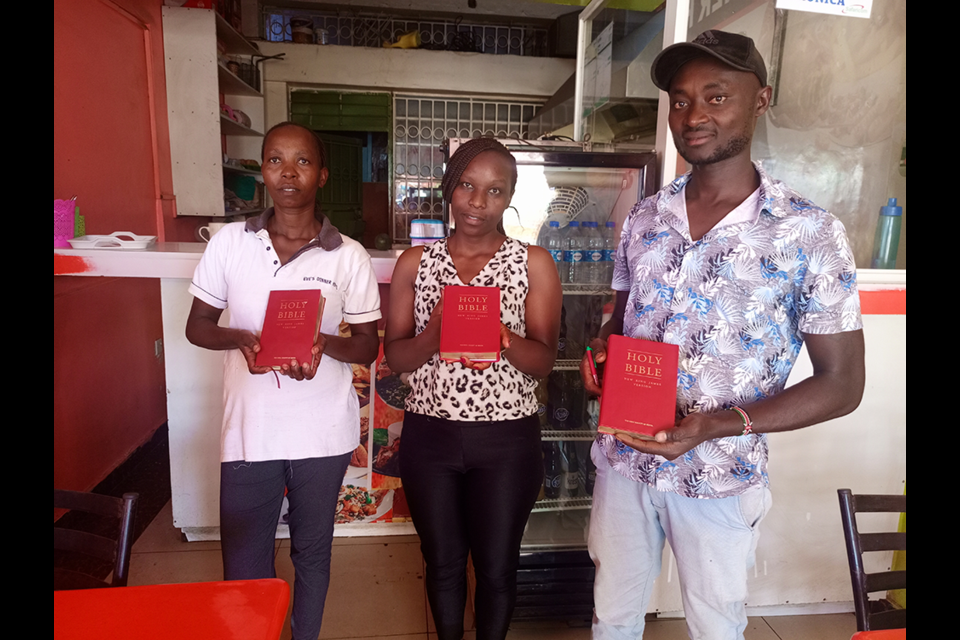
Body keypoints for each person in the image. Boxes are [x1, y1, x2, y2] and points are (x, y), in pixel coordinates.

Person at [580, 31, 866, 640]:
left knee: (715, 626)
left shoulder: (809, 233)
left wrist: (716, 423)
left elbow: (843, 385)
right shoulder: (645, 216)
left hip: (719, 472)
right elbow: (622, 315)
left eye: (716, 96)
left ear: (760, 99)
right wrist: (604, 347)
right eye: (680, 101)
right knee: (613, 619)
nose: (694, 116)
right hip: (623, 460)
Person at [185, 122, 381, 640]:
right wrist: (243, 340)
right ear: (263, 171)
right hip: (251, 429)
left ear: (322, 174)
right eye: (275, 160)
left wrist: (323, 345)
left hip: (322, 432)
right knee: (245, 560)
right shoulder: (231, 242)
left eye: (301, 162)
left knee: (312, 552)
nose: (288, 172)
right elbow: (197, 327)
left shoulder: (348, 255)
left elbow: (366, 345)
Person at [384, 138, 563, 640]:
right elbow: (397, 359)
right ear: (449, 188)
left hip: (507, 441)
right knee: (441, 563)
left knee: (497, 566)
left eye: (494, 191)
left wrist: (504, 341)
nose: (477, 203)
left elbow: (544, 361)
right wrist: (433, 335)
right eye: (467, 186)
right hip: (430, 437)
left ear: (509, 198)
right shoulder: (415, 264)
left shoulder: (533, 264)